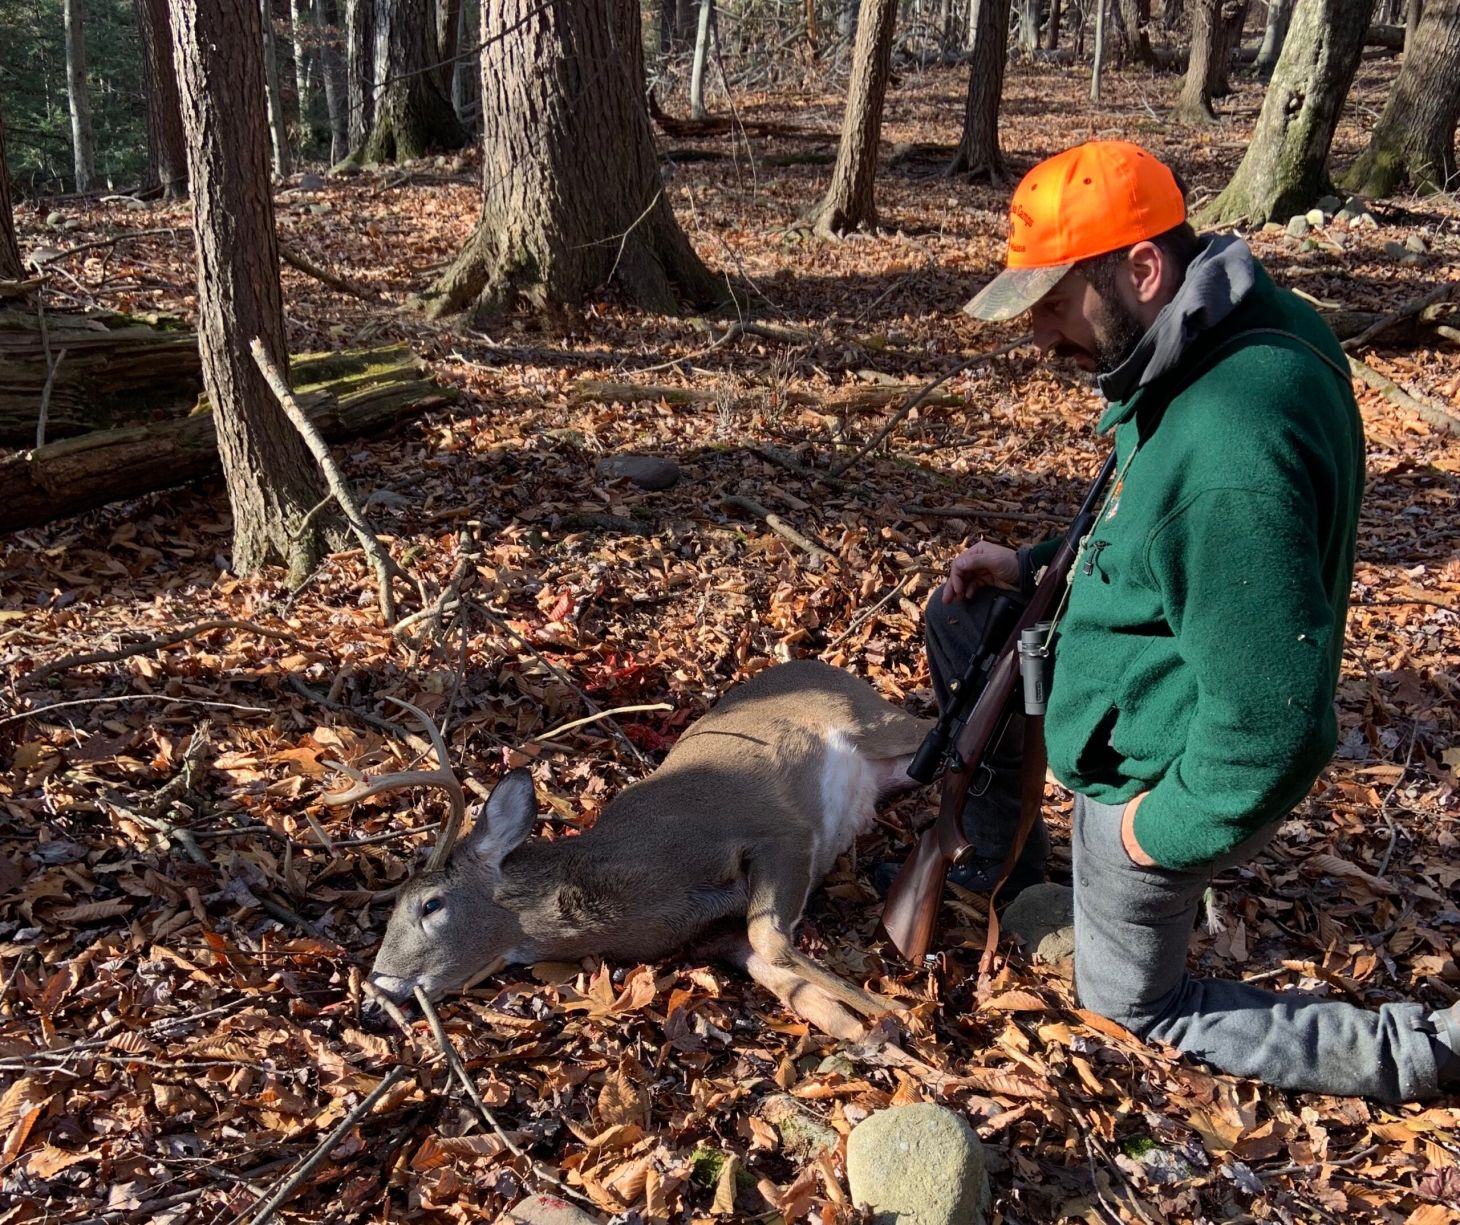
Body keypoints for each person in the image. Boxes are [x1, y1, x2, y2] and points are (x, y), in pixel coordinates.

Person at [927, 139, 1457, 1101]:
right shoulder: (1219, 330)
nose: (1040, 335)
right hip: (1146, 711)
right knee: (966, 619)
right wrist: (1035, 565)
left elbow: (1274, 729)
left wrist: (1149, 832)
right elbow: (1153, 536)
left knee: (1131, 1007)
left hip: (1153, 778)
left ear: (1141, 268)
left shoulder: (1227, 446)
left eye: (1052, 303)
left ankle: (1421, 1053)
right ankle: (1006, 866)